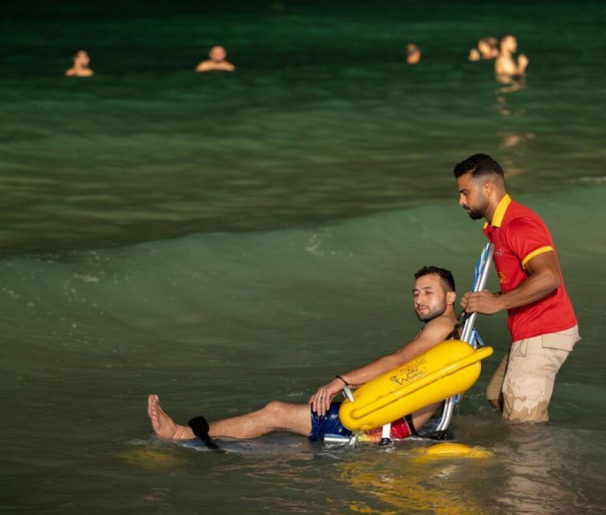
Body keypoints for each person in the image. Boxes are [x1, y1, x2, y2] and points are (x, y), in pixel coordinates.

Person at [147, 266, 460, 443]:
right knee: (282, 444)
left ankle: (180, 434)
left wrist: (340, 382)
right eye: (415, 293)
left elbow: (398, 361)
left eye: (427, 292)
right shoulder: (447, 327)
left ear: (450, 297)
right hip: (386, 413)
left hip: (380, 425)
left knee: (275, 412)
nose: (418, 300)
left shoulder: (441, 327)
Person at [454, 154, 579, 423]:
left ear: (488, 188)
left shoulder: (518, 224)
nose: (461, 201)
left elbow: (548, 277)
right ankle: (534, 457)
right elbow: (526, 281)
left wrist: (498, 304)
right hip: (531, 329)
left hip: (544, 331)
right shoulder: (498, 227)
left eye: (465, 193)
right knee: (497, 395)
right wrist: (491, 297)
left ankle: (531, 462)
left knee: (523, 425)